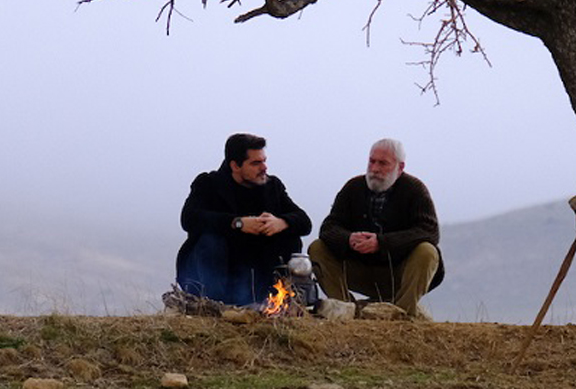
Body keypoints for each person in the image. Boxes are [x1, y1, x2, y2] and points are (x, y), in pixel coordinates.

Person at [308, 138, 443, 317]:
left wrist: (382, 243)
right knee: (317, 248)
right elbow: (329, 227)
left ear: (400, 167)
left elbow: (429, 231)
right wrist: (349, 239)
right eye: (372, 161)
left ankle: (400, 315)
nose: (375, 168)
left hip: (399, 273)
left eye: (383, 163)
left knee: (427, 251)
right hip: (360, 268)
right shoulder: (353, 188)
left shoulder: (414, 190)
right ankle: (347, 311)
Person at [175, 133, 312, 306]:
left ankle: (281, 301)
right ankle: (213, 306)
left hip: (257, 275)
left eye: (264, 161)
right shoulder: (209, 184)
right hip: (215, 273)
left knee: (290, 237)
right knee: (212, 241)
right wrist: (237, 223)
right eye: (256, 163)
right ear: (235, 165)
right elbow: (189, 218)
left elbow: (304, 222)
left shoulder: (272, 186)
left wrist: (281, 222)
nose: (264, 168)